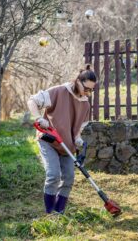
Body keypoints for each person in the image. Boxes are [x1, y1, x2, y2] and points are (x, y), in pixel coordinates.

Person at [27, 64, 97, 214]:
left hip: (67, 145)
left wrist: (78, 140)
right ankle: (49, 212)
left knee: (69, 179)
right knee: (53, 175)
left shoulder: (85, 105)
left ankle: (58, 213)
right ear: (78, 81)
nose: (88, 93)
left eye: (91, 90)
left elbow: (78, 130)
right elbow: (32, 101)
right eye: (86, 89)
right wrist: (39, 118)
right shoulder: (59, 91)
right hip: (49, 140)